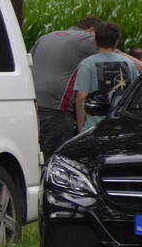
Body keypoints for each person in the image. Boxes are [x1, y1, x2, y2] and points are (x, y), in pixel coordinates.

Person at [30, 16, 100, 159]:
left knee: (35, 155)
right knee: (55, 158)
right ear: (91, 30)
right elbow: (110, 54)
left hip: (32, 104)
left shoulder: (46, 37)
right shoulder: (86, 39)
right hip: (58, 107)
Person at [73, 21, 140, 133]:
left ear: (95, 41)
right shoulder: (128, 63)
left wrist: (81, 127)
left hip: (93, 128)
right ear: (116, 42)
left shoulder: (87, 64)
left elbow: (81, 97)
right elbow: (136, 92)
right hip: (121, 126)